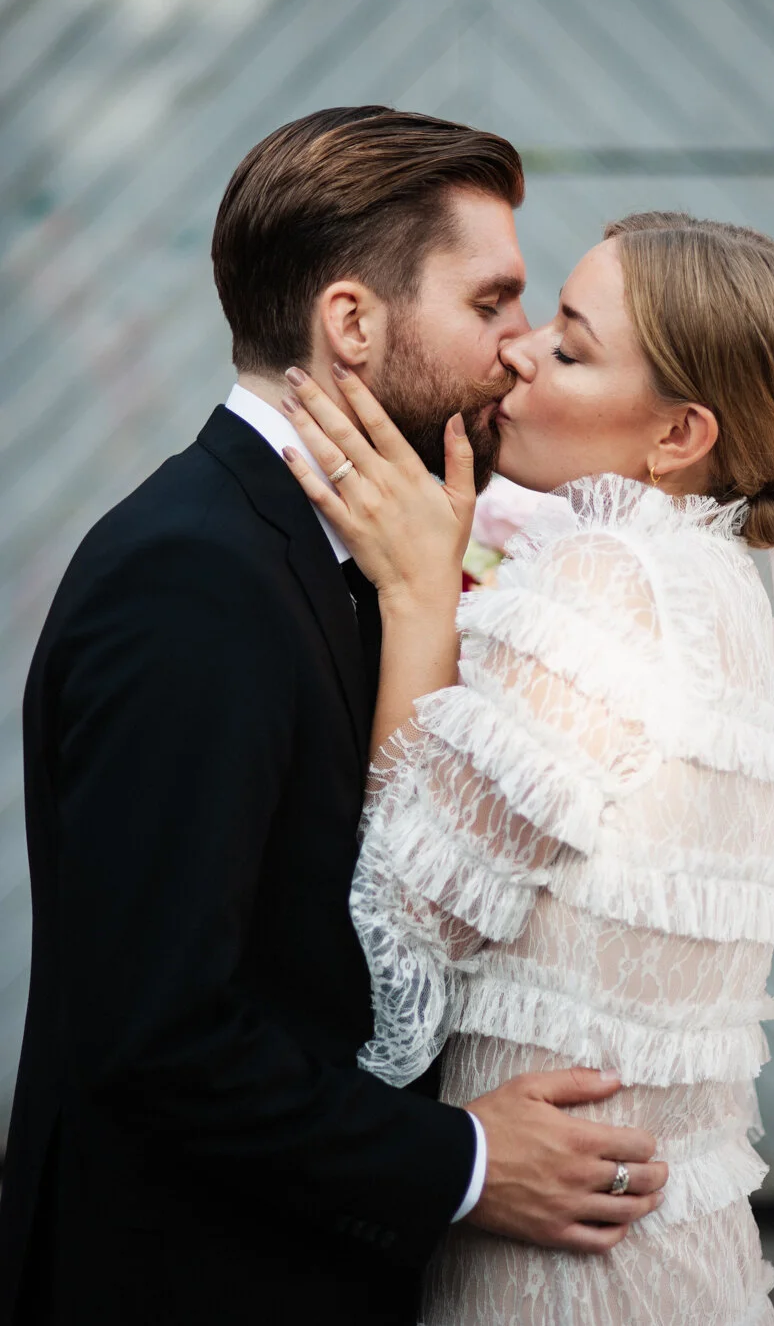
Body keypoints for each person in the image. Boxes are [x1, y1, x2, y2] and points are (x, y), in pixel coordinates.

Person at [0, 109, 667, 1326]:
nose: (518, 351)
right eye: (490, 304)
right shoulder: (193, 579)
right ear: (352, 323)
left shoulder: (349, 552)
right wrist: (464, 1164)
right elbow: (157, 1034)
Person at [281, 211, 774, 1325]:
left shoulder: (607, 586)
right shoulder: (723, 598)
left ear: (675, 438)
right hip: (677, 1254)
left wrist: (418, 596)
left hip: (560, 1269)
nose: (518, 350)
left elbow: (396, 928)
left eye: (567, 347)